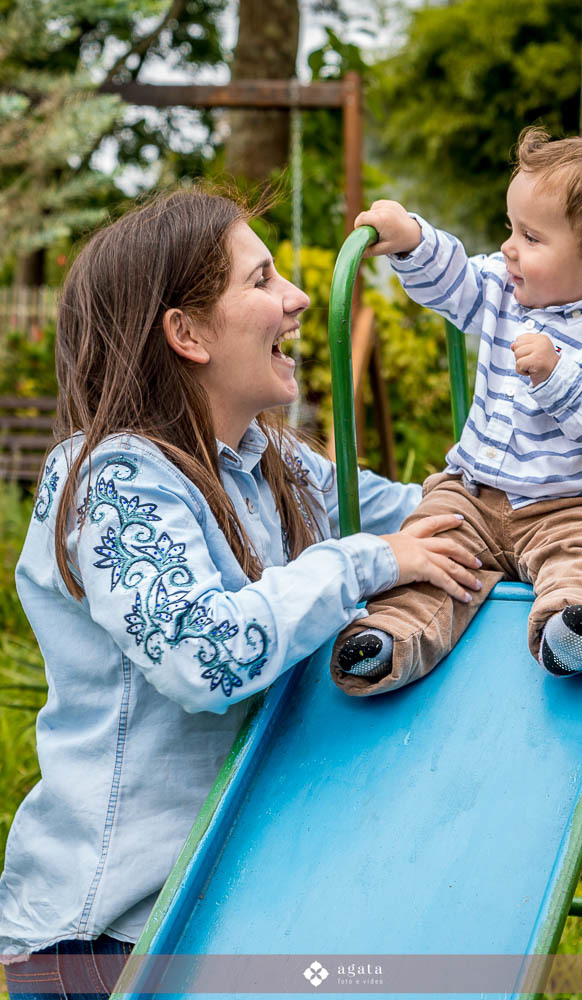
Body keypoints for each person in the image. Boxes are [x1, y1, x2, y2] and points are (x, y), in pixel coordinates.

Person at [0, 189, 484, 995]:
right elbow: (205, 656)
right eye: (261, 280)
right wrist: (365, 562)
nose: (298, 299)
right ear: (186, 334)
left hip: (229, 911)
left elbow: (429, 521)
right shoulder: (112, 479)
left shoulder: (276, 466)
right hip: (109, 937)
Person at [332, 128, 582, 696]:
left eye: (530, 237)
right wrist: (412, 239)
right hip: (475, 494)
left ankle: (572, 625)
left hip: (575, 504)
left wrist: (558, 375)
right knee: (433, 544)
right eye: (511, 228)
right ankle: (391, 635)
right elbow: (456, 280)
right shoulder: (505, 289)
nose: (509, 248)